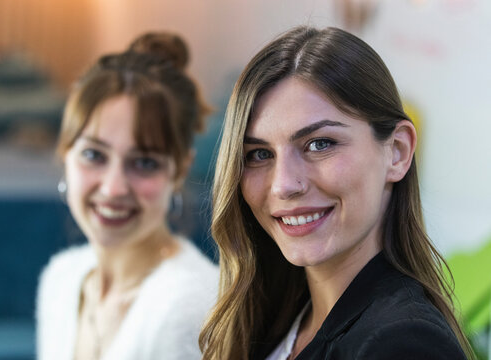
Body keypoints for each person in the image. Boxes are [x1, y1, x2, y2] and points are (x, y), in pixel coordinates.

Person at [199, 26, 473, 360]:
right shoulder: (282, 315)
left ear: (397, 152)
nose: (283, 184)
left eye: (319, 144)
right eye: (259, 154)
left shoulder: (403, 344)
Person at [36, 32, 218, 360]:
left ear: (179, 170)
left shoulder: (191, 309)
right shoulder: (60, 280)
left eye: (145, 162)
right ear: (65, 152)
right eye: (94, 155)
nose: (113, 188)